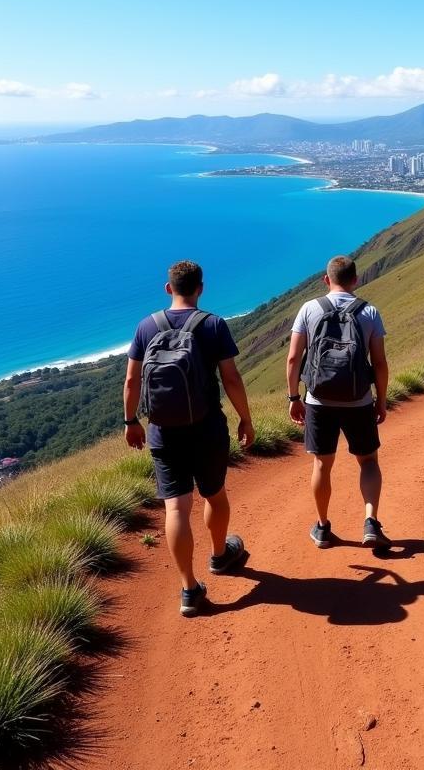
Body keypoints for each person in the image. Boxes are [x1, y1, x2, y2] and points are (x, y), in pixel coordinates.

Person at [123, 260, 255, 616]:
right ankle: (219, 555)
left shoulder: (146, 326)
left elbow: (133, 380)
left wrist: (130, 420)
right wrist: (245, 419)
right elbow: (231, 378)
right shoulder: (212, 325)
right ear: (201, 287)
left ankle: (188, 589)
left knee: (176, 506)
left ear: (168, 289)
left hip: (162, 430)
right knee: (214, 492)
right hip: (207, 426)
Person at [286, 255, 390, 550]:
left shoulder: (309, 309)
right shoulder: (369, 312)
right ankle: (371, 522)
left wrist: (294, 397)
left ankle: (322, 527)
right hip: (359, 400)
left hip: (318, 399)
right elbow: (380, 363)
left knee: (322, 464)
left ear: (326, 280)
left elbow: (293, 358)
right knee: (368, 461)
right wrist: (380, 400)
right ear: (356, 280)